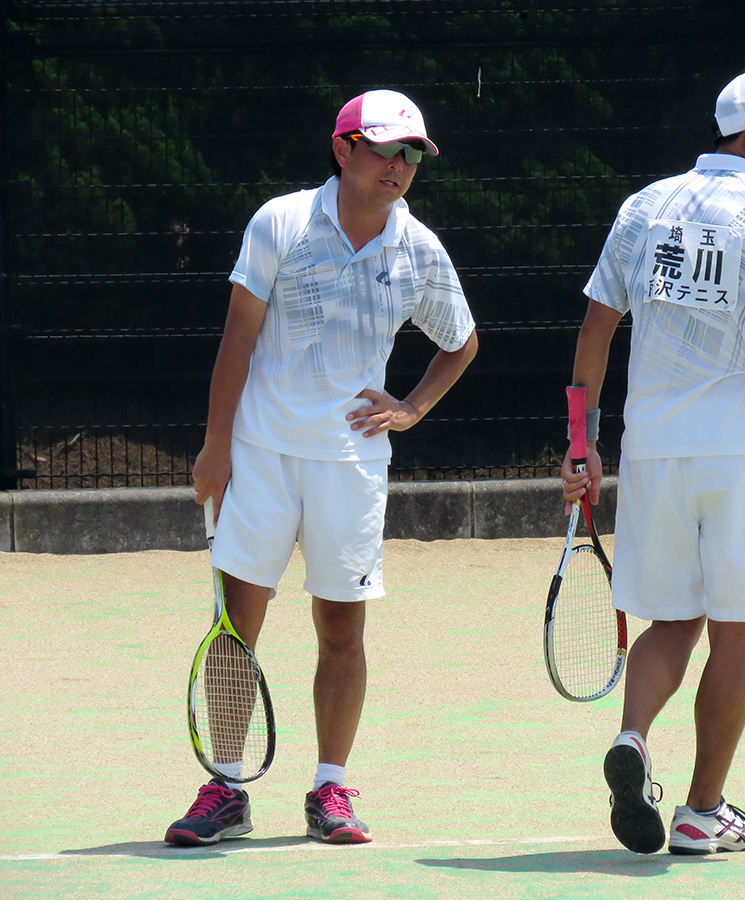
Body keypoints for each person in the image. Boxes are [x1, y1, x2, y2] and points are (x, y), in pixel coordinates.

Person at [165, 89, 478, 846]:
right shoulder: (281, 222)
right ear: (343, 150)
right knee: (235, 625)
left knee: (342, 627)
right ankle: (227, 787)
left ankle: (330, 789)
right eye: (385, 150)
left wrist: (410, 408)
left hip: (352, 466)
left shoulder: (419, 249)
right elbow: (237, 338)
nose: (400, 167)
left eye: (412, 155)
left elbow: (461, 343)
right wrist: (214, 448)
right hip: (261, 456)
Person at [561, 66, 745, 855]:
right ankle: (700, 810)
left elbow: (593, 332)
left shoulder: (643, 207)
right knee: (734, 637)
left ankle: (633, 738)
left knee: (670, 621)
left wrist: (581, 445)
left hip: (654, 450)